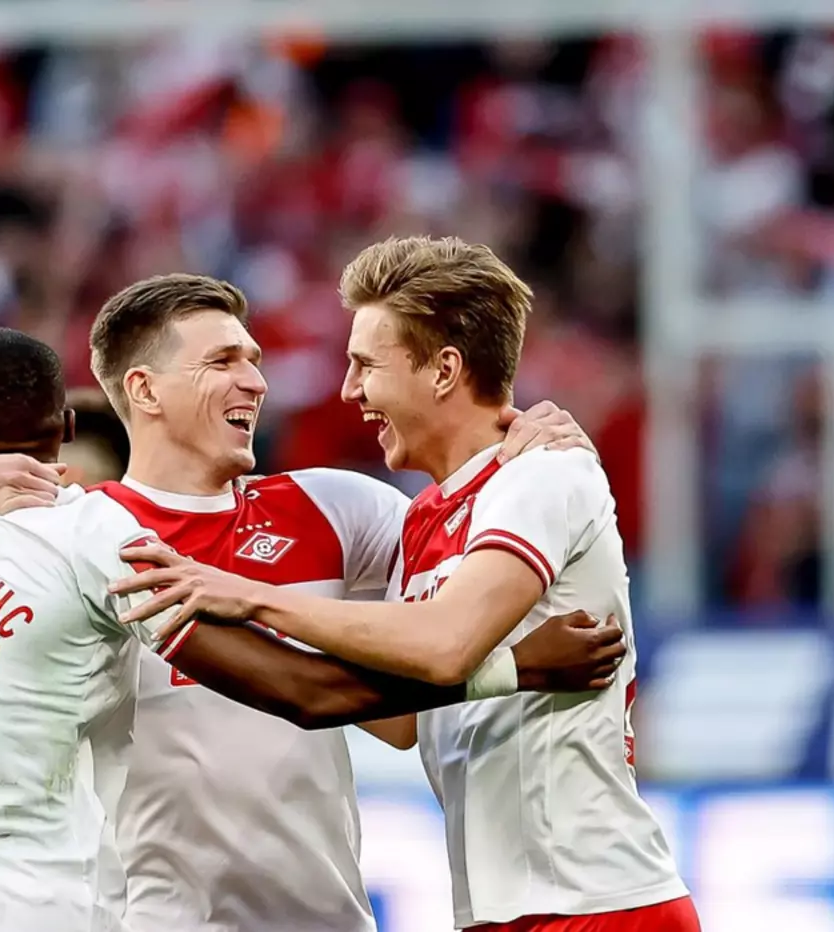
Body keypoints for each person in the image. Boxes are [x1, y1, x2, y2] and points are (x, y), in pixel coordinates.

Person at [0, 274, 608, 932]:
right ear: (142, 390)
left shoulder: (340, 509)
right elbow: (310, 691)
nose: (256, 378)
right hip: (151, 919)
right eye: (222, 361)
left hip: (321, 916)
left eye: (253, 358)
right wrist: (515, 669)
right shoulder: (89, 543)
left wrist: (521, 444)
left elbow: (408, 693)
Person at [114, 237, 699, 932]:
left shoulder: (542, 476)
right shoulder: (423, 519)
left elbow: (446, 645)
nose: (349, 390)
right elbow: (395, 716)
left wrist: (251, 595)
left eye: (366, 365)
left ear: (444, 369)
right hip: (506, 908)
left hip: (596, 900)